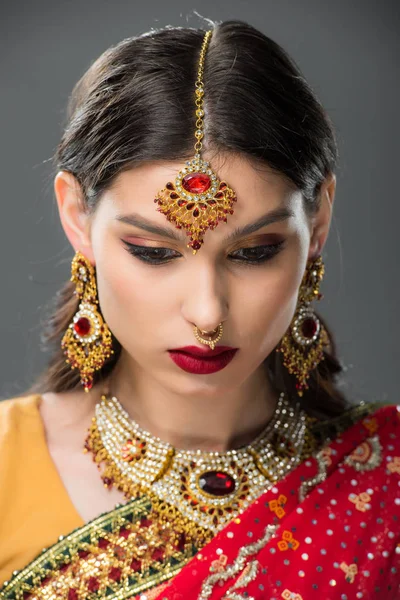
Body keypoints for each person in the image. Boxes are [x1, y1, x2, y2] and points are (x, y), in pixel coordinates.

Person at [0, 19, 399, 600]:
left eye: (255, 252)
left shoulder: (384, 483)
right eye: (154, 253)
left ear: (317, 223)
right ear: (77, 218)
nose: (208, 312)